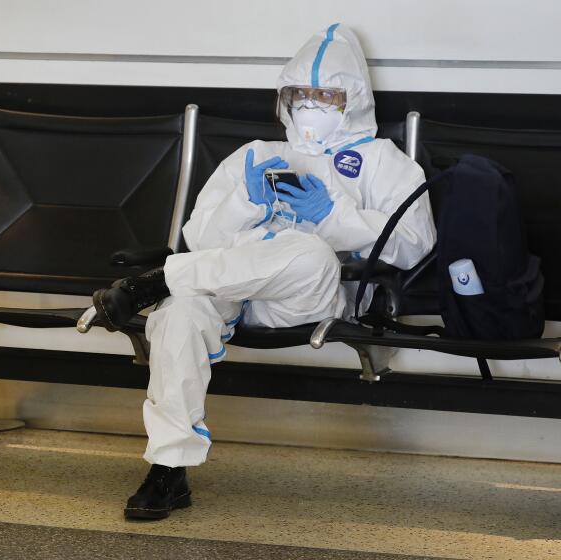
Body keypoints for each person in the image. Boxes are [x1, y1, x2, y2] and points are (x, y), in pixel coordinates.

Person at [93, 23, 436, 520]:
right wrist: (245, 204)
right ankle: (168, 468)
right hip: (229, 286)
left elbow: (415, 247)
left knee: (310, 252)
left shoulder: (385, 163)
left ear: (354, 98)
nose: (311, 104)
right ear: (284, 98)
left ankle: (156, 281)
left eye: (327, 95)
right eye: (301, 93)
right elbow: (201, 239)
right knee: (180, 312)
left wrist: (334, 219)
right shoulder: (255, 156)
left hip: (312, 295)